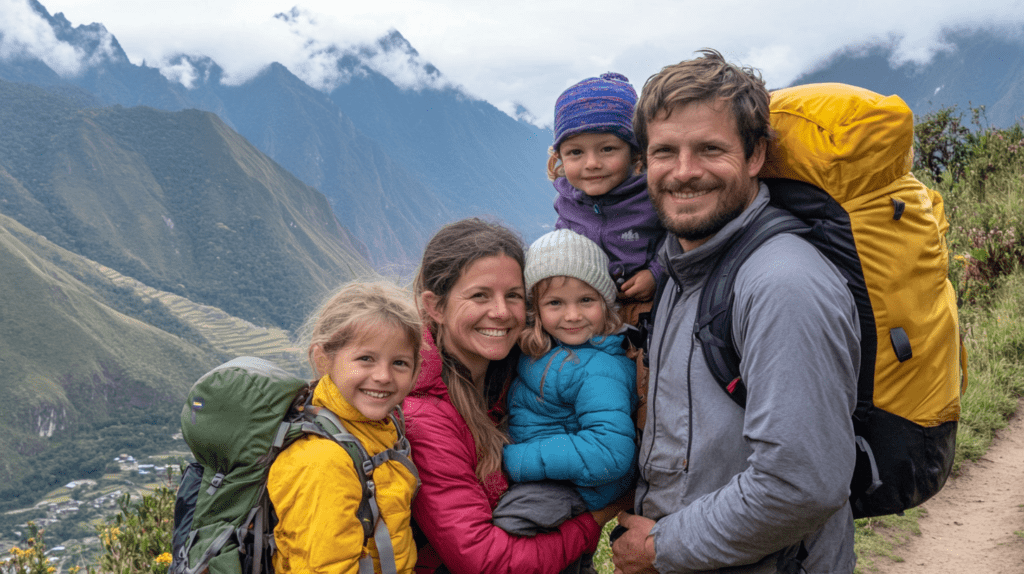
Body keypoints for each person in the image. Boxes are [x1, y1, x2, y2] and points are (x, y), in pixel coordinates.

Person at [611, 50, 861, 574]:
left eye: (709, 149)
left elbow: (801, 483)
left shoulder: (781, 284)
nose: (684, 172)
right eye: (665, 151)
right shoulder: (683, 266)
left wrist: (662, 547)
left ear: (754, 156)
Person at [404, 218, 623, 574]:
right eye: (480, 295)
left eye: (514, 296)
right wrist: (596, 518)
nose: (502, 313)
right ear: (436, 307)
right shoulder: (423, 414)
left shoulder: (519, 375)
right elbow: (487, 563)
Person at [268, 281, 423, 574]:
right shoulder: (322, 460)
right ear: (324, 359)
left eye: (400, 363)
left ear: (416, 371)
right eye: (366, 358)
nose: (383, 376)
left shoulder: (381, 431)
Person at [494, 228, 637, 534]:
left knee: (511, 526)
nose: (572, 315)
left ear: (605, 302)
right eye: (555, 303)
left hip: (573, 483)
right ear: (536, 310)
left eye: (586, 300)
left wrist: (515, 460)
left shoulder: (598, 369)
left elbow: (609, 452)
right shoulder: (549, 349)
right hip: (550, 472)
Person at [548, 72, 667, 317]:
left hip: (651, 308)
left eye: (607, 149)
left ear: (635, 153)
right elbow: (561, 251)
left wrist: (657, 272)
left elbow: (679, 241)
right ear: (559, 157)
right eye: (575, 152)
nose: (591, 163)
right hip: (592, 313)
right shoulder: (567, 203)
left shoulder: (653, 195)